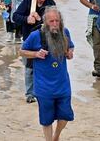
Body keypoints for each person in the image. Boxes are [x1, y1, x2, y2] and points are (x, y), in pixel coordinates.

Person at [20, 7, 74, 141]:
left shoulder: (65, 32)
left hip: (62, 84)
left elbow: (70, 47)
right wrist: (36, 54)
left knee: (66, 115)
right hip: (43, 86)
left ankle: (56, 136)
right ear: (45, 22)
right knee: (46, 119)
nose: (55, 24)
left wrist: (70, 53)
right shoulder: (35, 36)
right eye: (51, 21)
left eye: (57, 21)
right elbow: (22, 51)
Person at [12, 0, 56, 102]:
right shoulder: (27, 2)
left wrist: (39, 19)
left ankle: (44, 91)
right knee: (29, 68)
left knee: (47, 67)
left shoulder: (50, 4)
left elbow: (54, 21)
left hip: (46, 41)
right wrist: (26, 19)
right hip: (29, 41)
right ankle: (30, 94)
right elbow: (15, 17)